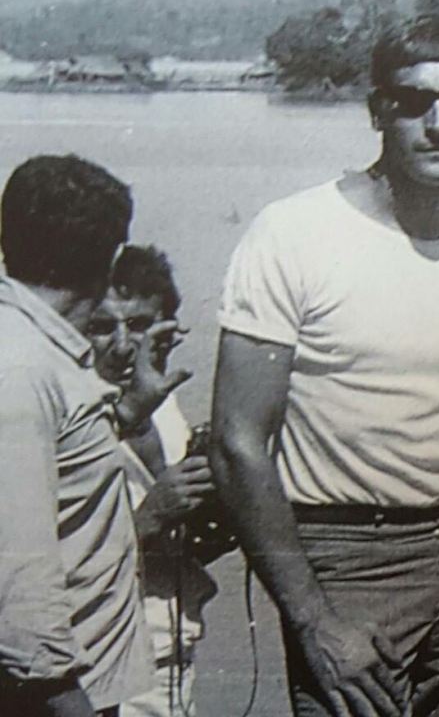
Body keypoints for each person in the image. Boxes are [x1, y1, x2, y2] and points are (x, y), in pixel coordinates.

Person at [211, 15, 439, 717]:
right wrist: (313, 619)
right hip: (345, 559)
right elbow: (237, 441)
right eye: (414, 103)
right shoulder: (295, 234)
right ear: (378, 111)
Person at [0, 155, 180, 717]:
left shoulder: (36, 350)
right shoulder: (23, 367)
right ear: (106, 262)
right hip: (52, 698)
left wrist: (126, 414)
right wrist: (66, 699)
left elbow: (53, 467)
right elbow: (19, 575)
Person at [86, 245, 218, 717]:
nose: (124, 345)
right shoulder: (66, 420)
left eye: (140, 324)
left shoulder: (165, 410)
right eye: (102, 327)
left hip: (172, 653)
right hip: (102, 666)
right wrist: (150, 517)